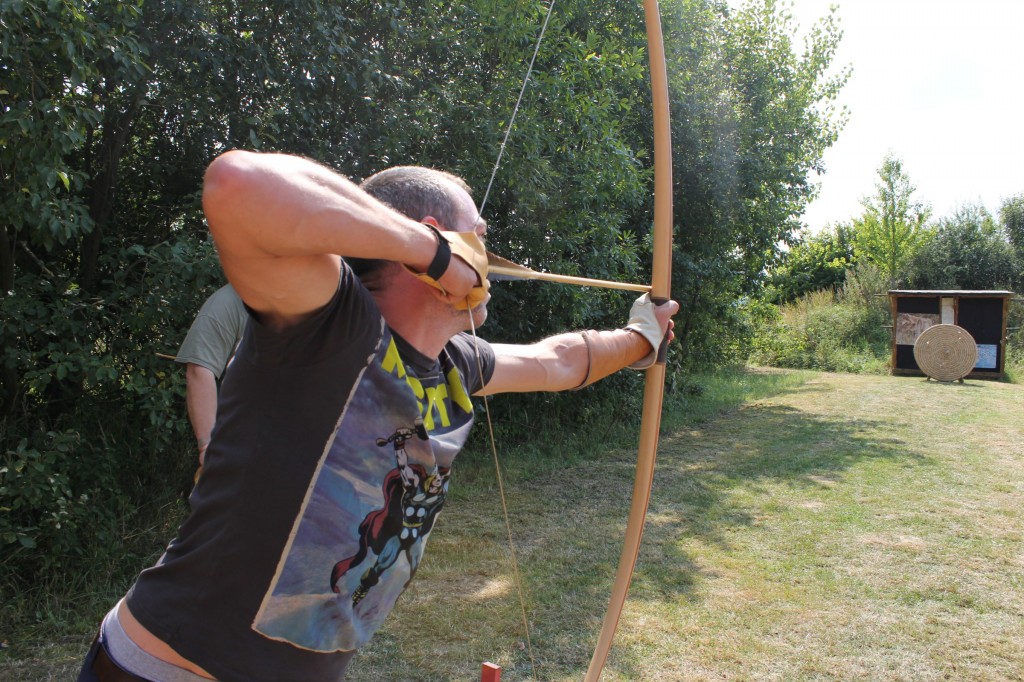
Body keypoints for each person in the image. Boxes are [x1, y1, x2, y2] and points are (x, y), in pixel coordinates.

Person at [78, 150, 678, 682]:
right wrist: (433, 253)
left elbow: (557, 361)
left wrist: (639, 339)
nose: (490, 258)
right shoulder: (329, 322)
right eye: (479, 236)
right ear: (438, 239)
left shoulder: (455, 362)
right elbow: (236, 183)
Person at [175, 284, 247, 470]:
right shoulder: (229, 301)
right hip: (242, 447)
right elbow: (199, 371)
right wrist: (208, 445)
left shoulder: (313, 298)